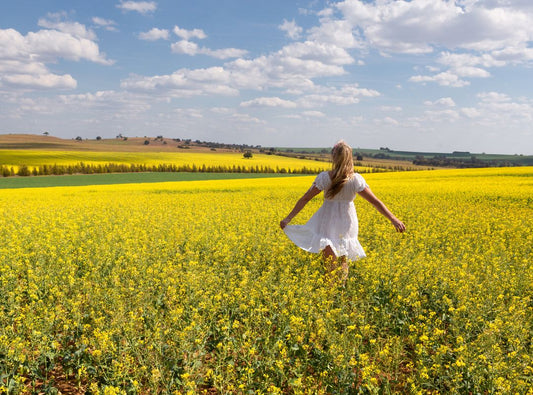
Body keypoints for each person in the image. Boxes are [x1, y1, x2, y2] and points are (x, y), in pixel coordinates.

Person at [280, 140, 405, 283]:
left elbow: (305, 198)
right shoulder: (356, 180)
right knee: (342, 259)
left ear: (334, 158)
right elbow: (375, 202)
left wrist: (288, 219)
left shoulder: (325, 178)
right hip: (347, 221)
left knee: (329, 261)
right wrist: (394, 219)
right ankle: (341, 289)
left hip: (327, 219)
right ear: (349, 158)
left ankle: (330, 292)